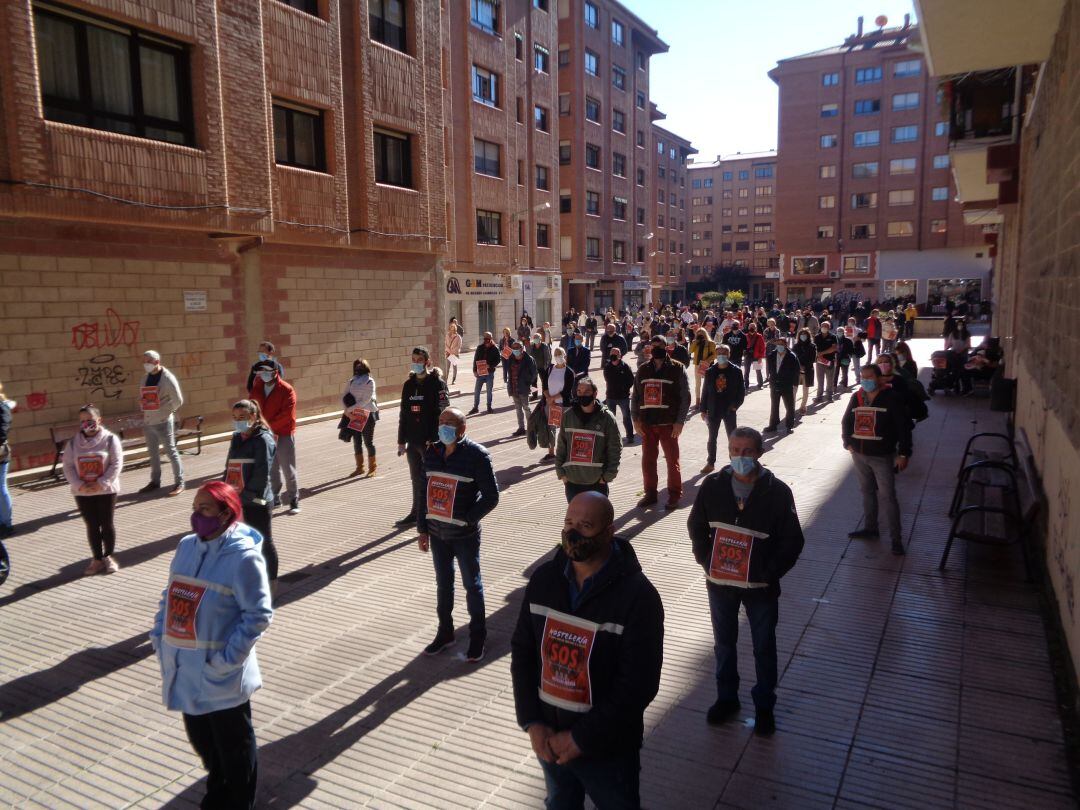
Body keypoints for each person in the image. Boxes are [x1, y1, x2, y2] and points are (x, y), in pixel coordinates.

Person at [510, 492, 664, 809]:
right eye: (568, 523)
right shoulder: (544, 580)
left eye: (585, 526)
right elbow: (523, 652)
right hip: (551, 739)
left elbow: (638, 685)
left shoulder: (639, 597)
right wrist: (532, 722)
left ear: (609, 532)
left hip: (608, 749)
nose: (573, 533)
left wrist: (582, 738)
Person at [150, 481, 273, 810]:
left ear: (225, 513)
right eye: (194, 508)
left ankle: (239, 802)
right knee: (204, 744)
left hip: (221, 674)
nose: (197, 516)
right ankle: (217, 795)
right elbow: (170, 594)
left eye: (205, 509)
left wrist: (226, 661)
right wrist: (159, 637)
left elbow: (258, 614)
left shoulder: (243, 558)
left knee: (234, 749)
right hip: (185, 668)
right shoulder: (186, 546)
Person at [688, 427, 804, 736]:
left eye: (747, 451)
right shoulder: (712, 485)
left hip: (760, 589)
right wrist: (705, 558)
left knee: (764, 646)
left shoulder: (777, 492)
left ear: (760, 453)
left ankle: (764, 706)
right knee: (724, 644)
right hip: (720, 584)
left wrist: (768, 573)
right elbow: (696, 525)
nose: (740, 457)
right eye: (734, 450)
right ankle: (726, 699)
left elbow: (792, 541)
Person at [416, 408, 499, 662]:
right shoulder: (431, 452)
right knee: (443, 585)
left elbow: (492, 496)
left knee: (472, 585)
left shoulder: (477, 455)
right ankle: (445, 632)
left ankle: (478, 637)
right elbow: (422, 493)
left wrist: (468, 518)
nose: (444, 426)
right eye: (441, 421)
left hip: (464, 535)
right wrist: (422, 529)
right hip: (437, 534)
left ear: (462, 428)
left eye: (450, 422)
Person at [842, 364, 913, 556]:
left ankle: (896, 540)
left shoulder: (892, 398)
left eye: (870, 377)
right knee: (867, 492)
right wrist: (847, 442)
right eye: (863, 377)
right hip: (859, 455)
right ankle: (870, 528)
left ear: (880, 378)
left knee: (888, 496)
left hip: (882, 456)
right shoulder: (857, 397)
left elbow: (903, 427)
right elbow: (846, 421)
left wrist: (904, 453)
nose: (865, 381)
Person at [63, 404, 123, 575]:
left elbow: (116, 463)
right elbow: (68, 466)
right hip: (83, 491)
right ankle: (97, 559)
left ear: (99, 420)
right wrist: (79, 485)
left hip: (106, 490)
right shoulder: (73, 444)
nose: (87, 424)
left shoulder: (110, 439)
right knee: (92, 525)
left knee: (106, 524)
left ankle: (108, 556)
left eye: (90, 420)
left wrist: (102, 483)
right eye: (83, 421)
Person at [632, 336, 690, 510]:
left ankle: (674, 495)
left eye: (660, 345)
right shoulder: (643, 369)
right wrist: (635, 419)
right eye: (653, 346)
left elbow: (685, 397)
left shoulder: (678, 368)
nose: (656, 348)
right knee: (648, 460)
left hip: (668, 423)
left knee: (672, 460)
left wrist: (680, 422)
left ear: (666, 347)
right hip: (647, 423)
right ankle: (650, 494)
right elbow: (635, 396)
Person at [225, 400, 279, 585]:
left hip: (257, 500)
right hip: (237, 498)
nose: (238, 421)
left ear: (253, 416)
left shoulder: (263, 439)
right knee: (242, 542)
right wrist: (225, 490)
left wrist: (246, 495)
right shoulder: (236, 437)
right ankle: (250, 581)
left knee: (263, 542)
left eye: (242, 417)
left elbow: (262, 472)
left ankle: (271, 584)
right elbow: (229, 466)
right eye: (235, 417)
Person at [397, 347, 450, 526]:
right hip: (413, 441)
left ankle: (434, 513)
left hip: (431, 442)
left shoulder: (437, 383)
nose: (416, 363)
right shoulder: (408, 385)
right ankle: (416, 512)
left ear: (427, 362)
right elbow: (403, 414)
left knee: (433, 478)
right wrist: (401, 441)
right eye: (413, 360)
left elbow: (444, 412)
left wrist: (434, 437)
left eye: (419, 360)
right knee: (416, 478)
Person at [555, 377, 621, 502]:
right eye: (579, 391)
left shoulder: (606, 418)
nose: (582, 395)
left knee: (597, 514)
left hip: (597, 482)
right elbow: (561, 446)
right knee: (576, 515)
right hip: (572, 481)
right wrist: (561, 473)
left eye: (587, 392)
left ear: (595, 394)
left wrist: (607, 476)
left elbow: (615, 448)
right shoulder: (568, 416)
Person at [249, 361, 299, 514]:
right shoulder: (257, 388)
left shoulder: (286, 389)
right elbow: (251, 409)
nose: (263, 374)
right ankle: (275, 497)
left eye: (266, 371)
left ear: (275, 372)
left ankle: (293, 499)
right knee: (272, 469)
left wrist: (267, 427)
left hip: (283, 434)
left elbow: (287, 415)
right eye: (261, 371)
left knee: (288, 468)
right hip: (264, 435)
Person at [138, 350, 185, 496]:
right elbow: (143, 396)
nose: (146, 364)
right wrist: (143, 403)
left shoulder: (167, 378)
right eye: (144, 361)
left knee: (171, 452)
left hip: (163, 421)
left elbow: (178, 400)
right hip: (148, 421)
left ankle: (179, 482)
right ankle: (155, 481)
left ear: (157, 362)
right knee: (153, 453)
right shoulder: (145, 378)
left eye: (149, 361)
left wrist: (166, 411)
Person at [699, 345, 745, 474]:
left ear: (728, 355)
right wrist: (703, 409)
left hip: (729, 409)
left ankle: (735, 463)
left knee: (732, 437)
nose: (721, 356)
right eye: (718, 353)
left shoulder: (736, 371)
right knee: (712, 438)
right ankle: (710, 462)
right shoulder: (710, 371)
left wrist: (735, 405)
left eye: (724, 353)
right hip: (713, 409)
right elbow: (705, 391)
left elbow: (741, 391)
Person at [341, 358, 378, 478]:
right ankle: (359, 468)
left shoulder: (370, 381)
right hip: (354, 415)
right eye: (356, 366)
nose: (358, 368)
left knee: (368, 442)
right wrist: (347, 411)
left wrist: (349, 410)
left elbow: (365, 400)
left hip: (367, 414)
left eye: (361, 366)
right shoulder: (352, 381)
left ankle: (372, 468)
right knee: (357, 442)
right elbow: (343, 396)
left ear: (366, 367)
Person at [542, 347, 575, 462]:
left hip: (563, 405)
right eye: (556, 354)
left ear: (564, 355)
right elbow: (544, 386)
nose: (558, 356)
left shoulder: (569, 372)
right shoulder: (550, 369)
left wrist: (552, 398)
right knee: (550, 428)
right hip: (551, 404)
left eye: (560, 354)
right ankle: (551, 453)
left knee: (564, 429)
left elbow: (567, 391)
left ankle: (566, 452)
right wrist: (549, 399)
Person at [764, 337, 800, 434]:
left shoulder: (792, 356)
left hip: (787, 385)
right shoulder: (772, 355)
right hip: (775, 384)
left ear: (786, 345)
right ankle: (773, 425)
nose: (779, 346)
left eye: (782, 344)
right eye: (778, 344)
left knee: (789, 406)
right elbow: (770, 369)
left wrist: (795, 385)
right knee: (774, 406)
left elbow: (796, 371)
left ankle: (789, 425)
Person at [602, 347, 635, 446]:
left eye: (615, 354)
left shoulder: (625, 367)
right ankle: (612, 438)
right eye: (611, 354)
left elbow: (631, 380)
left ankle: (630, 437)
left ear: (620, 355)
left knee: (626, 417)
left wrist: (624, 388)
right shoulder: (607, 367)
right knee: (611, 419)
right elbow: (608, 379)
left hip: (623, 397)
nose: (613, 356)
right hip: (611, 397)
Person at [505, 340, 538, 437]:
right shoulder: (511, 358)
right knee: (518, 409)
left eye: (517, 348)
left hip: (523, 388)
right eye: (513, 348)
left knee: (526, 408)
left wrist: (527, 383)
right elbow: (509, 372)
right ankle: (521, 428)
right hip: (514, 387)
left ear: (522, 348)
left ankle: (531, 427)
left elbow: (534, 373)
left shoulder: (529, 359)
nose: (515, 350)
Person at [469, 332, 502, 415]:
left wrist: (490, 365)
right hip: (480, 372)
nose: (486, 341)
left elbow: (498, 360)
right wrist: (474, 370)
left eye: (488, 339)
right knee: (477, 391)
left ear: (491, 339)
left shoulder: (495, 348)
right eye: (485, 339)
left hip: (489, 373)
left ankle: (489, 406)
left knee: (489, 391)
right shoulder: (480, 347)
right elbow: (475, 359)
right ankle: (475, 407)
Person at [690, 328, 717, 410]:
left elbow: (714, 354)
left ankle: (706, 401)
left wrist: (707, 360)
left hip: (706, 365)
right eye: (698, 334)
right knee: (697, 384)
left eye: (702, 334)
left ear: (705, 334)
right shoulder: (695, 342)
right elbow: (690, 351)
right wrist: (695, 341)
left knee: (707, 384)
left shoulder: (711, 343)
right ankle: (697, 401)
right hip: (697, 365)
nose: (700, 335)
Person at [812, 321, 839, 402]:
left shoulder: (833, 336)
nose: (824, 327)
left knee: (830, 380)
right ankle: (819, 396)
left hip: (830, 361)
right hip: (819, 361)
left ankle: (829, 396)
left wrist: (821, 353)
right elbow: (814, 348)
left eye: (826, 326)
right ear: (820, 327)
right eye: (823, 326)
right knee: (820, 381)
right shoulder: (817, 337)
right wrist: (817, 354)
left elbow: (834, 348)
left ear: (829, 327)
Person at [792, 328, 815, 414]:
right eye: (801, 334)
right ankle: (792, 406)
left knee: (805, 389)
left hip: (807, 370)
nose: (803, 336)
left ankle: (803, 406)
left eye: (805, 334)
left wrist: (805, 366)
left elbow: (813, 358)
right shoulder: (796, 346)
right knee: (794, 389)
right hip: (796, 371)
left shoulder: (812, 346)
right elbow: (793, 357)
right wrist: (799, 366)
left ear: (808, 336)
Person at [0, 385, 12, 539]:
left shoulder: (2, 407)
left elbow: (3, 430)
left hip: (1, 454)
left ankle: (7, 524)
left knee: (1, 488)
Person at [528, 331, 552, 402]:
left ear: (540, 338)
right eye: (534, 338)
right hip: (534, 367)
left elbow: (548, 357)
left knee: (544, 382)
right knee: (533, 382)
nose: (535, 339)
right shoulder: (532, 346)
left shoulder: (544, 346)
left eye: (537, 338)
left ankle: (544, 396)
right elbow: (529, 356)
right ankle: (534, 395)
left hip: (542, 367)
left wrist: (547, 366)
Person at [743, 323, 766, 391]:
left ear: (756, 328)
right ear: (748, 328)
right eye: (750, 327)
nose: (752, 328)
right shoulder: (745, 336)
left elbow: (763, 347)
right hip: (748, 356)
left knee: (758, 371)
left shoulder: (759, 336)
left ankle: (760, 384)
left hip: (757, 356)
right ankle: (746, 385)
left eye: (753, 327)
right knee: (746, 371)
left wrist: (760, 357)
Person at [445, 319, 462, 385]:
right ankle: (445, 380)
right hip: (448, 353)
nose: (452, 330)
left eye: (453, 328)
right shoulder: (447, 335)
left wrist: (452, 351)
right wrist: (449, 350)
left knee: (454, 367)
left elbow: (459, 346)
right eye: (451, 328)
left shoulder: (458, 337)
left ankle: (454, 380)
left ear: (455, 329)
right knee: (447, 367)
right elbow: (445, 344)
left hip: (455, 354)